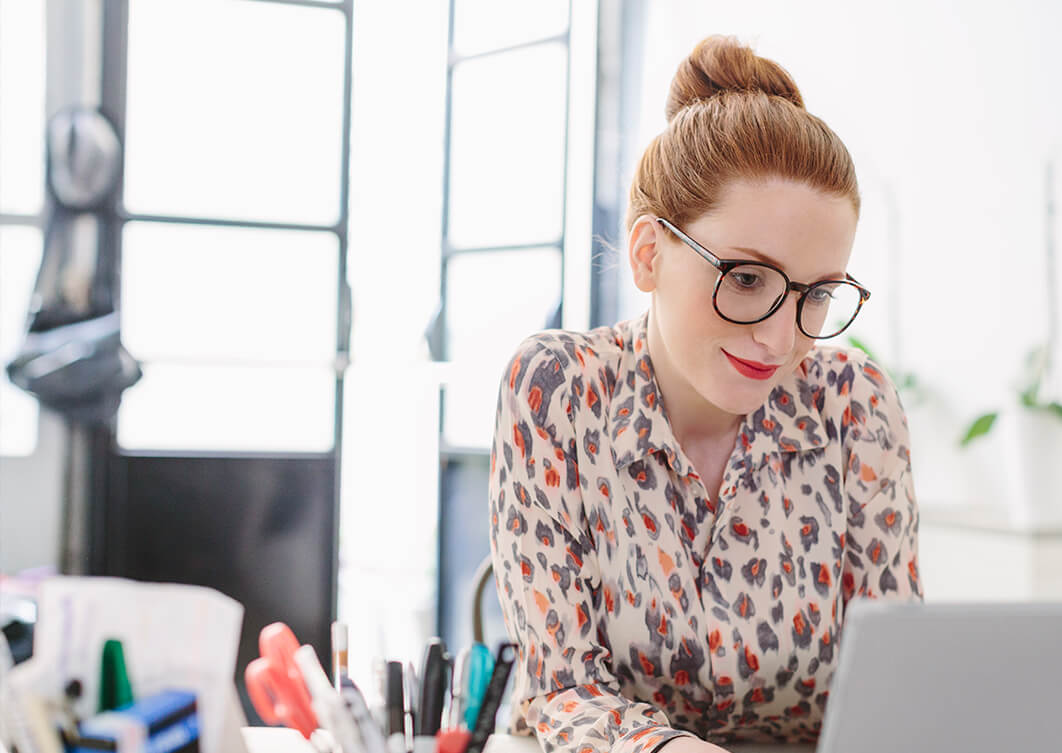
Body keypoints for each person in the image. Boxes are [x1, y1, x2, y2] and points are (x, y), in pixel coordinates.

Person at [487, 35, 923, 753]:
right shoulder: (558, 391)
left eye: (816, 295)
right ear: (649, 254)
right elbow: (561, 686)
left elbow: (895, 680)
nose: (783, 340)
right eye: (748, 279)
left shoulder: (857, 406)